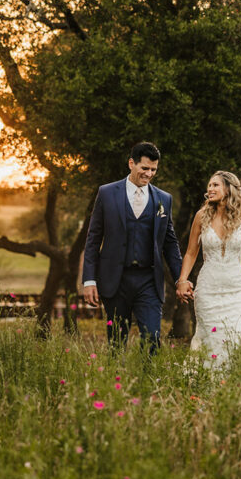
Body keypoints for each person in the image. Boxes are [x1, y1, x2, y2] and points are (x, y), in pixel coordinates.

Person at [82, 142, 184, 356]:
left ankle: (150, 385)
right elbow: (93, 239)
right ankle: (117, 386)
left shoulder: (164, 199)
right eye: (144, 168)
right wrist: (89, 280)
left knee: (152, 338)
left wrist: (180, 278)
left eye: (153, 170)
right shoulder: (107, 193)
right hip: (115, 280)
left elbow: (170, 242)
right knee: (117, 341)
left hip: (149, 280)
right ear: (131, 163)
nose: (149, 174)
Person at [176, 171, 241, 367]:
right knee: (212, 340)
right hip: (208, 290)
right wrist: (183, 280)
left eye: (215, 185)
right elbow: (191, 253)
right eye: (209, 185)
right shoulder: (201, 216)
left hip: (238, 290)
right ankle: (208, 386)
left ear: (229, 188)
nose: (210, 189)